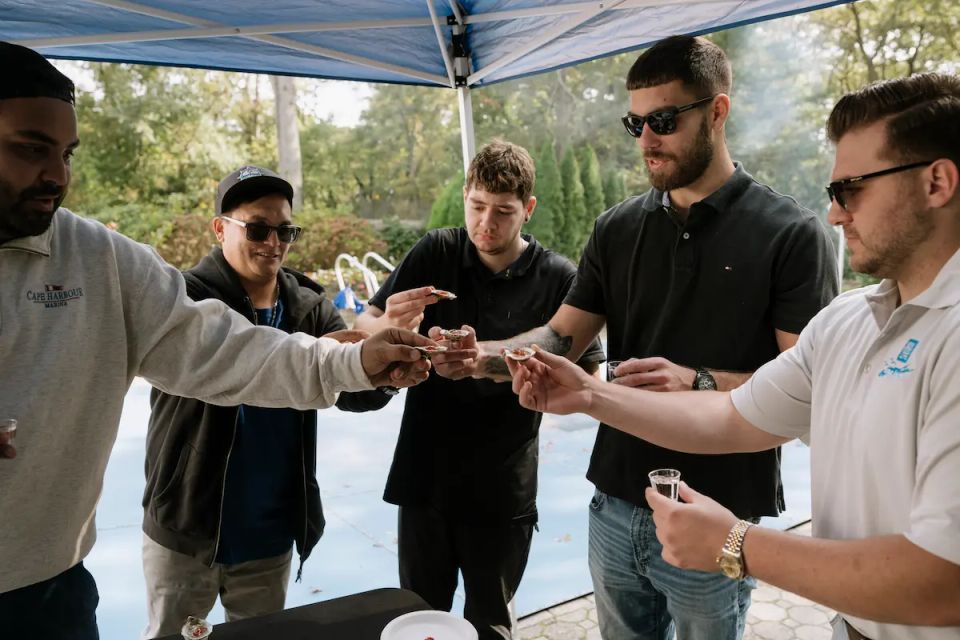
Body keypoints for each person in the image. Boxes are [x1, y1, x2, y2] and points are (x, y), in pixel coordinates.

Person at [0, 41, 442, 639]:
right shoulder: (196, 284)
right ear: (223, 228)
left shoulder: (103, 263)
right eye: (30, 149)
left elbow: (239, 350)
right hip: (188, 530)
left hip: (55, 586)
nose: (57, 175)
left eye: (67, 153)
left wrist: (366, 359)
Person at [506, 72, 960, 640]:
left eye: (852, 189)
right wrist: (591, 394)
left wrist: (736, 544)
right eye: (832, 194)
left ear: (937, 182)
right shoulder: (850, 321)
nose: (837, 214)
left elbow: (943, 579)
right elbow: (733, 415)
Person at [430, 36, 838, 640]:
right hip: (615, 502)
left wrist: (696, 381)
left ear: (717, 112)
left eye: (664, 120)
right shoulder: (616, 228)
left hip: (716, 509)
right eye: (636, 122)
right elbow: (560, 338)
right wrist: (479, 358)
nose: (646, 138)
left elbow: (809, 388)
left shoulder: (791, 233)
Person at [354, 140, 605, 640]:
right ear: (466, 195)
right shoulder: (437, 251)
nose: (486, 223)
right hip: (425, 475)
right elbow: (367, 323)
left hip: (502, 486)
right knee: (420, 618)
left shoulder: (557, 277)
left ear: (528, 210)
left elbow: (585, 373)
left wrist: (495, 364)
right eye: (477, 206)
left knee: (490, 622)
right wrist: (389, 325)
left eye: (503, 212)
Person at [140, 166, 394, 637]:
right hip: (187, 524)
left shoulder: (308, 305)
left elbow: (355, 395)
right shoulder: (185, 300)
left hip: (271, 529)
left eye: (285, 230)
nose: (273, 242)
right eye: (257, 228)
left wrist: (393, 364)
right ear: (220, 229)